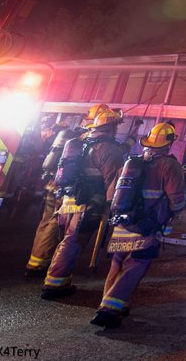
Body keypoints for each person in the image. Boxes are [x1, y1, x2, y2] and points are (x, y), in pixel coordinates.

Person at [91, 122, 186, 328]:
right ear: (169, 144)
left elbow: (113, 193)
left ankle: (115, 304)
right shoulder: (169, 165)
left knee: (116, 266)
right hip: (146, 227)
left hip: (122, 225)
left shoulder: (132, 162)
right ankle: (108, 310)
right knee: (135, 267)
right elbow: (176, 200)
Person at [40, 107, 126, 299]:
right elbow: (111, 181)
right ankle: (54, 284)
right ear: (111, 126)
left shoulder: (81, 142)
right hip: (88, 205)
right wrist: (112, 206)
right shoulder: (110, 149)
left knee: (67, 240)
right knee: (73, 242)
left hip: (69, 200)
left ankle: (58, 279)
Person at [24, 104, 110, 278]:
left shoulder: (72, 134)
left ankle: (36, 261)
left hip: (52, 183)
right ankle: (42, 266)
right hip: (66, 189)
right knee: (57, 227)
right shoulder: (88, 139)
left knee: (46, 222)